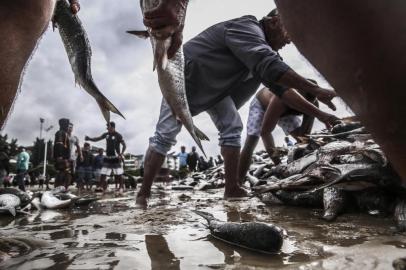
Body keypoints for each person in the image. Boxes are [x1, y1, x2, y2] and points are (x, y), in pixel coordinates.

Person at [136, 8, 338, 207]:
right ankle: (143, 194)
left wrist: (321, 115)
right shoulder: (247, 28)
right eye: (289, 32)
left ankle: (231, 188)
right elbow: (268, 64)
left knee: (233, 127)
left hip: (216, 91)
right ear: (274, 21)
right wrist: (315, 89)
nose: (289, 40)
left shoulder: (265, 52)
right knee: (164, 135)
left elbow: (283, 90)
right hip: (186, 79)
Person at [85, 122, 126, 194]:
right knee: (103, 172)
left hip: (116, 156)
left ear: (113, 127)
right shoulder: (106, 134)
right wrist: (89, 139)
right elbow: (97, 138)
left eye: (108, 127)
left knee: (118, 173)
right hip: (107, 156)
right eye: (107, 127)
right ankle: (100, 187)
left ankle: (121, 187)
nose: (107, 128)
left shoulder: (118, 135)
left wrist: (121, 154)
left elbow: (124, 145)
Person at [53, 118, 72, 189]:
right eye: (67, 125)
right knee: (63, 174)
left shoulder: (63, 133)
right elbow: (59, 144)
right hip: (62, 157)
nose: (68, 127)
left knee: (65, 174)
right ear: (64, 125)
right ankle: (59, 189)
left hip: (64, 157)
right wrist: (60, 157)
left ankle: (61, 189)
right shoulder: (61, 133)